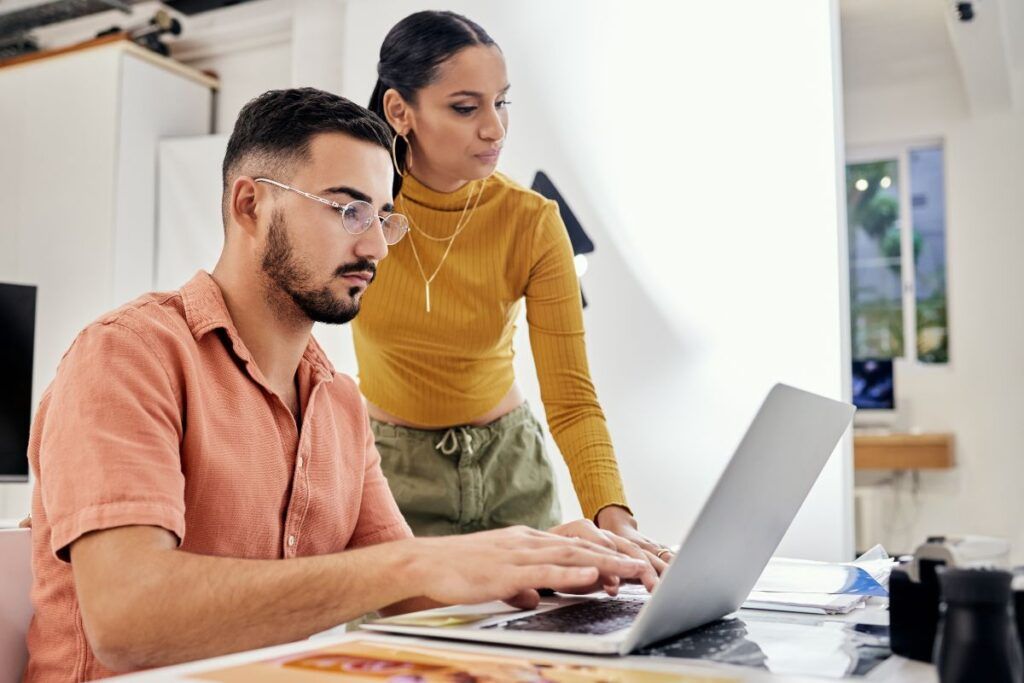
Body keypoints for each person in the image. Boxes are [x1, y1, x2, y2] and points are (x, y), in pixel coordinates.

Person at [22, 88, 655, 681]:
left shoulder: (337, 399)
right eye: (348, 209)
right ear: (250, 205)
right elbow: (127, 621)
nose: (377, 246)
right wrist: (415, 562)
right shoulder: (126, 355)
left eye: (384, 217)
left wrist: (543, 560)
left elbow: (408, 594)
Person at [357, 10, 672, 565]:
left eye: (501, 102)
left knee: (533, 648)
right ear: (400, 111)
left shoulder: (531, 220)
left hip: (512, 472)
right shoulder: (355, 214)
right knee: (406, 649)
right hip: (393, 481)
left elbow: (572, 398)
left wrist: (615, 518)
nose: (495, 129)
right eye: (465, 107)